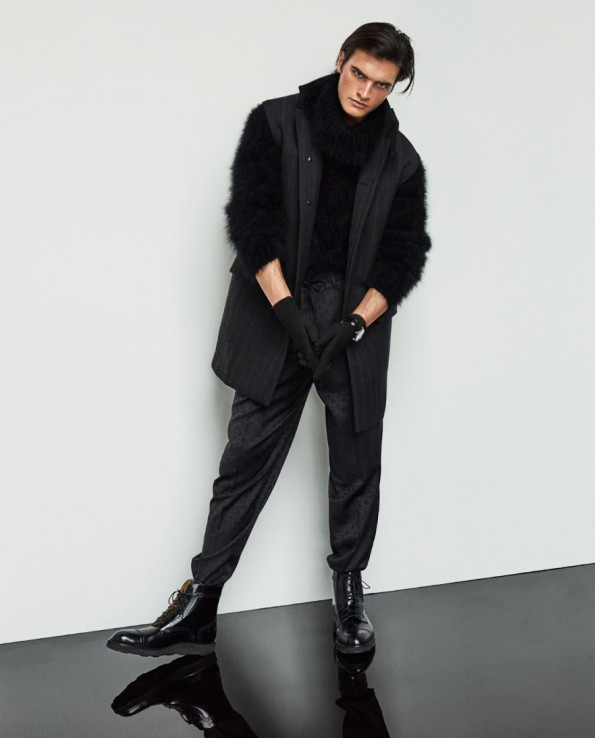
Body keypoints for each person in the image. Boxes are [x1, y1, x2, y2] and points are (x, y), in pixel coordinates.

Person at [107, 21, 431, 658]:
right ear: (340, 60)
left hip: (353, 322)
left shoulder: (402, 160)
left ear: (395, 88)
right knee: (245, 460)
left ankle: (349, 598)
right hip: (276, 307)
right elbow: (250, 219)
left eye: (382, 85)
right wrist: (286, 311)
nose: (364, 92)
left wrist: (356, 322)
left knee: (356, 465)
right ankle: (200, 605)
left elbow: (404, 256)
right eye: (358, 73)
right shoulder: (277, 122)